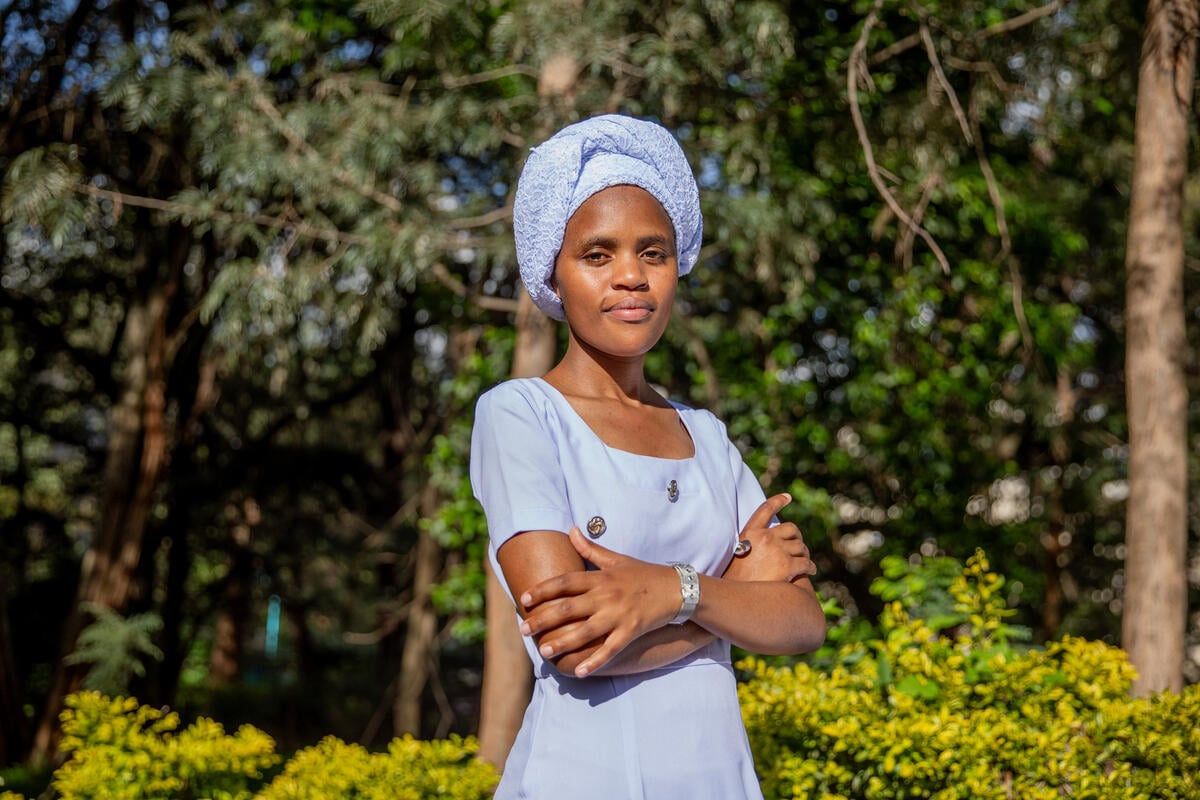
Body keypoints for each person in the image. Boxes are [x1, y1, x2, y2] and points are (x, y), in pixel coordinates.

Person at [469, 114, 825, 799]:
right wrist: (728, 597)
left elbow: (803, 621)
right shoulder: (521, 415)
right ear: (555, 273)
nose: (630, 276)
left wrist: (666, 593)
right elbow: (572, 643)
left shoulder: (708, 437)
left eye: (652, 252)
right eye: (598, 255)